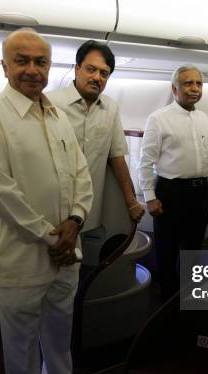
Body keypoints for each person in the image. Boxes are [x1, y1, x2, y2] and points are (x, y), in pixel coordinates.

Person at [0, 29, 93, 374]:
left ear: (50, 67)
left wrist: (75, 220)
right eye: (21, 60)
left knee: (60, 324)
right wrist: (49, 236)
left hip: (65, 248)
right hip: (23, 255)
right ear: (4, 66)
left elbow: (81, 172)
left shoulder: (56, 115)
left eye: (40, 62)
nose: (32, 70)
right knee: (20, 339)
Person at [138, 64, 208, 300]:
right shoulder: (159, 118)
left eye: (198, 83)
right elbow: (145, 161)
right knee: (167, 249)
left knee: (194, 247)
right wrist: (150, 197)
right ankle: (166, 299)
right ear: (174, 88)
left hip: (199, 194)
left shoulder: (202, 118)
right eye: (188, 83)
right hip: (170, 192)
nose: (194, 88)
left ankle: (188, 295)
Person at [47, 40, 144, 232]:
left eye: (104, 73)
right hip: (53, 208)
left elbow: (117, 158)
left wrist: (131, 201)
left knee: (82, 260)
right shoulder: (51, 103)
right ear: (77, 69)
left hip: (91, 209)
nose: (97, 77)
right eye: (91, 69)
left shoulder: (110, 108)